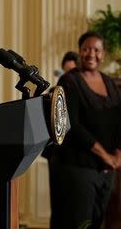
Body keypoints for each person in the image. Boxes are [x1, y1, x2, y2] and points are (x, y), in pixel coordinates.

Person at [49, 31, 121, 229]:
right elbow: (72, 125)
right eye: (86, 49)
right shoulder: (69, 81)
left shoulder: (110, 83)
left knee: (96, 222)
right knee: (81, 223)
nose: (91, 54)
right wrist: (106, 155)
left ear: (103, 53)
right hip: (78, 167)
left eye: (96, 50)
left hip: (107, 170)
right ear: (79, 51)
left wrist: (117, 155)